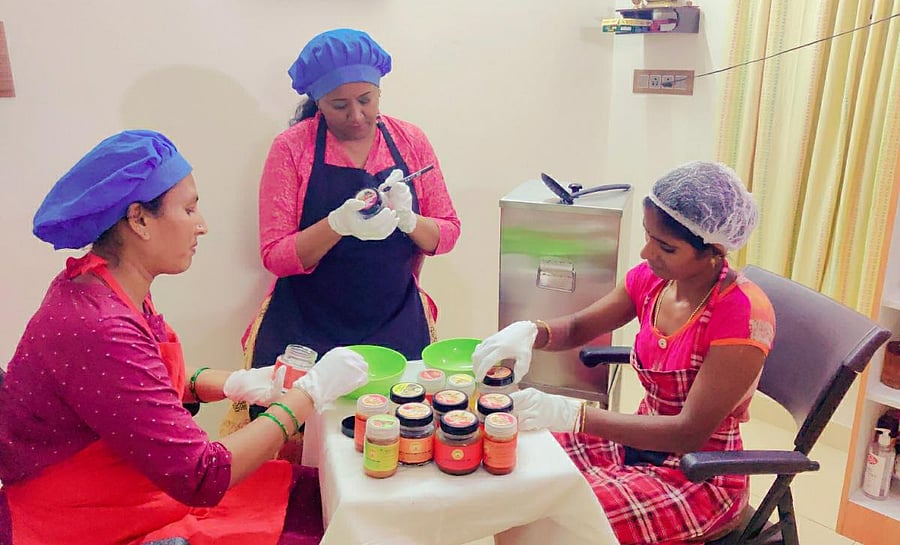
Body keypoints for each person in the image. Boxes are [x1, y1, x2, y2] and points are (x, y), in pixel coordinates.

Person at [0, 130, 369, 545]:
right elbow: (203, 475)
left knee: (320, 494)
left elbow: (142, 382)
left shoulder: (99, 285)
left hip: (133, 490)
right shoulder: (99, 326)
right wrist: (307, 396)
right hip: (82, 520)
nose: (202, 225)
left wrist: (232, 383)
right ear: (139, 219)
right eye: (190, 209)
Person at [472, 161, 776, 545]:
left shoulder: (742, 315)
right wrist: (532, 332)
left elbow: (689, 432)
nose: (647, 252)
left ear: (713, 250)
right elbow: (581, 327)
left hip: (698, 473)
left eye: (666, 247)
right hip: (640, 441)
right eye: (648, 236)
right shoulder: (654, 280)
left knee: (552, 522)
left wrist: (574, 414)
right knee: (518, 465)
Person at [225, 28, 460, 435]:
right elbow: (275, 255)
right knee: (306, 446)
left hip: (395, 320)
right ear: (317, 103)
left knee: (393, 434)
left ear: (379, 92)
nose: (356, 116)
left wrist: (410, 220)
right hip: (305, 325)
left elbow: (448, 232)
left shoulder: (410, 141)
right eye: (339, 105)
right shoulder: (291, 149)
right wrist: (336, 225)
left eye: (366, 100)